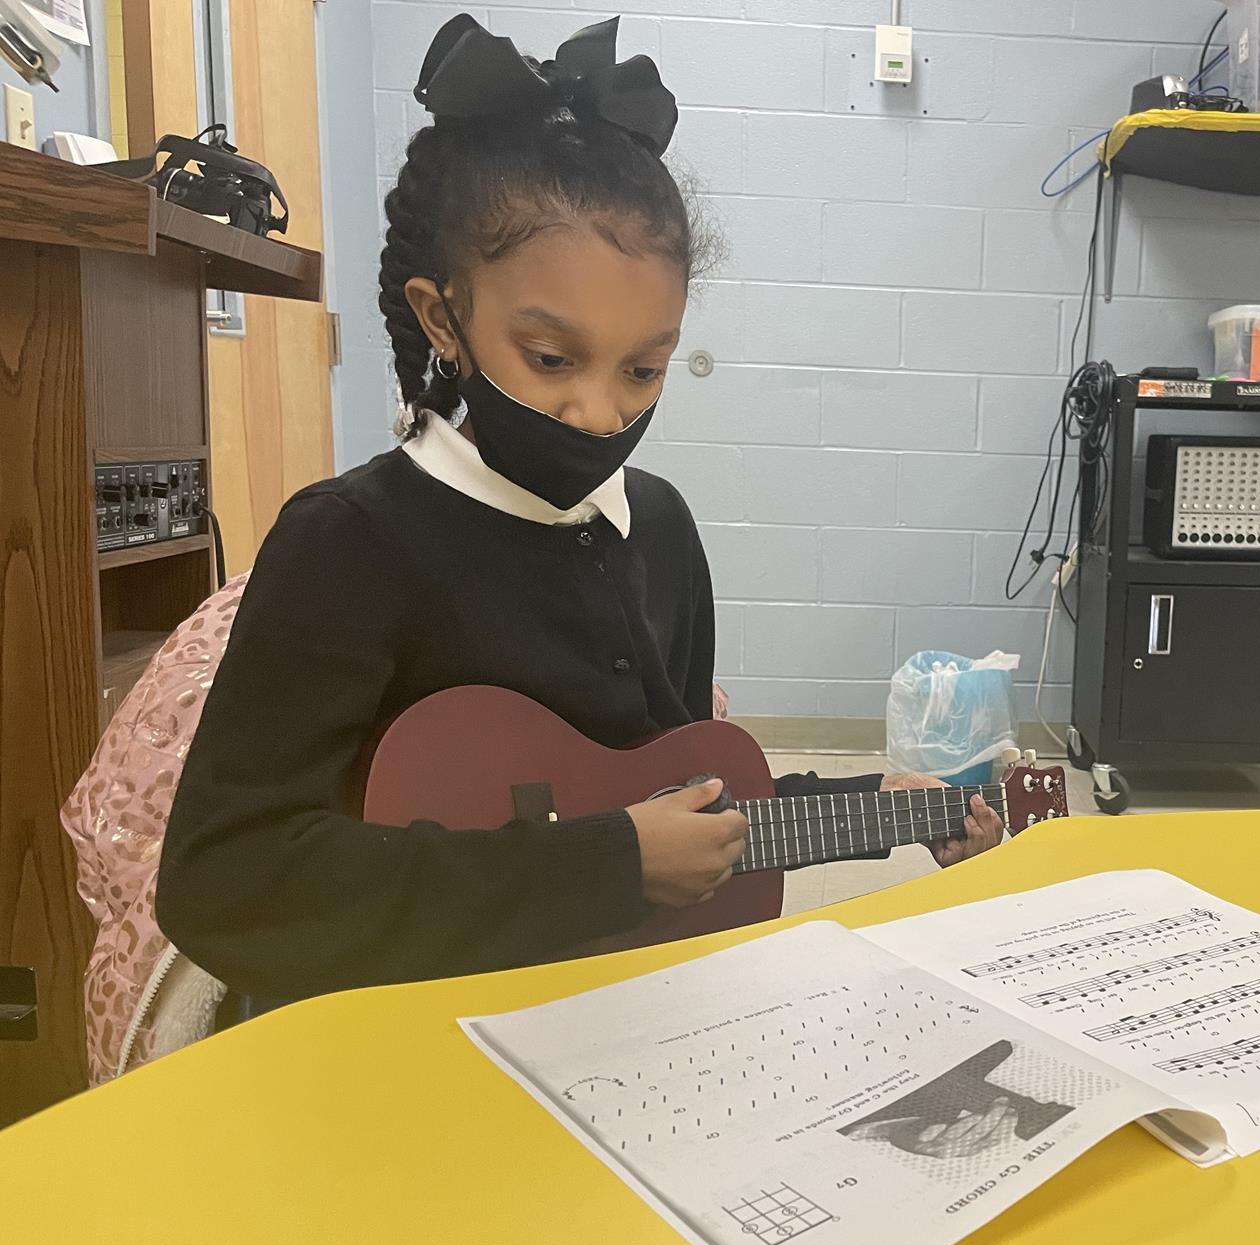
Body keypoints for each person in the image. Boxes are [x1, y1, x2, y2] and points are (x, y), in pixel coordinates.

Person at [155, 15, 1002, 1012]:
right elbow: (224, 879)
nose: (601, 413)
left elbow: (677, 786)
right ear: (442, 317)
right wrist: (604, 865)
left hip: (616, 1014)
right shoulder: (350, 543)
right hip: (402, 1032)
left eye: (644, 369)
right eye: (552, 358)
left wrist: (877, 805)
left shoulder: (661, 530)